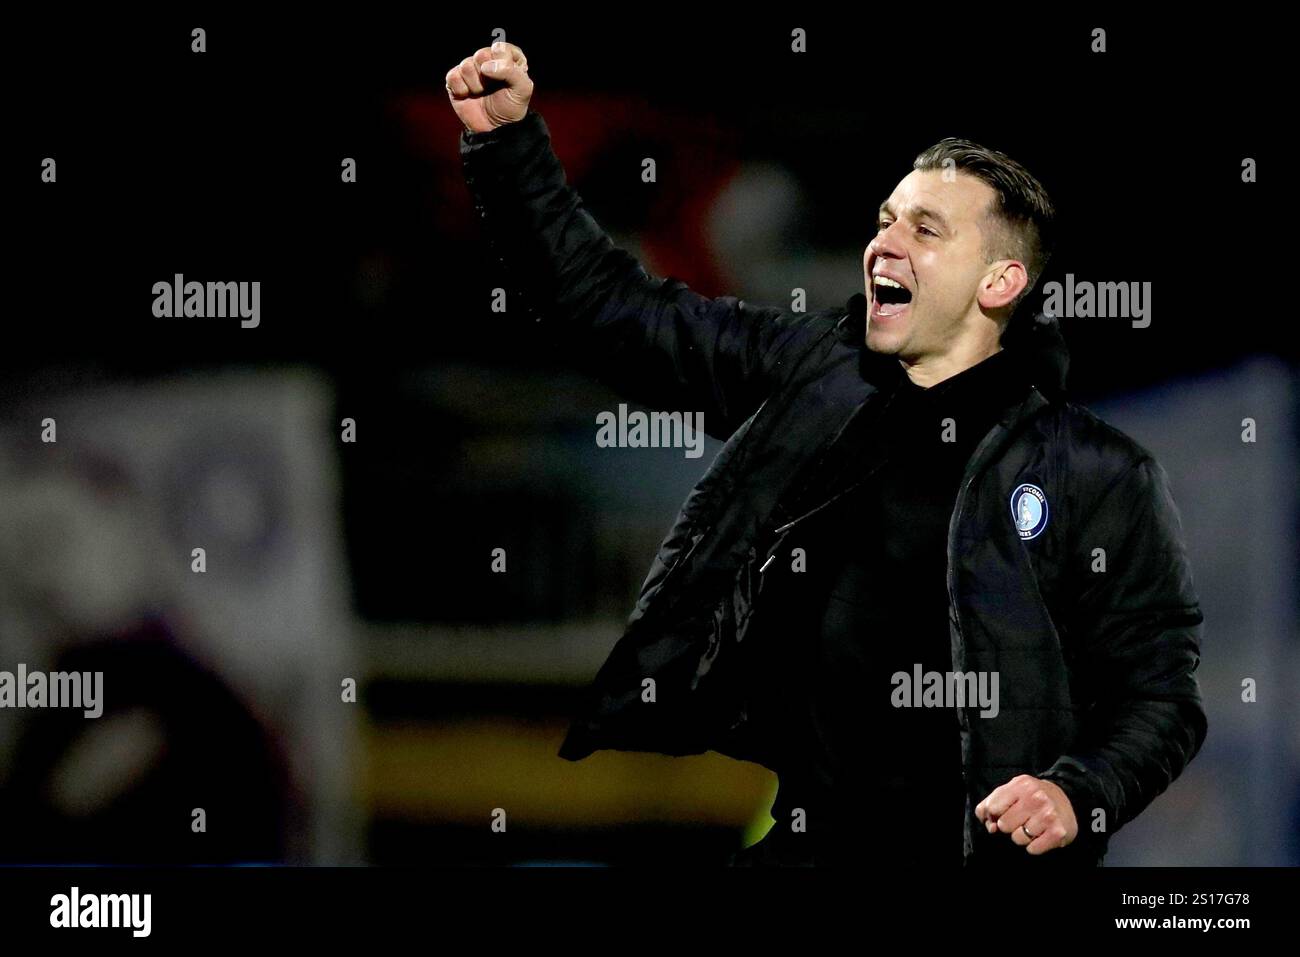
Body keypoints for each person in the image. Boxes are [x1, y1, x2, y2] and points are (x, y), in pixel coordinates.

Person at [446, 42, 1207, 867]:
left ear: (999, 283)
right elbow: (610, 308)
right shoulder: (807, 377)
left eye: (926, 228)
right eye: (884, 219)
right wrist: (508, 147)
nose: (885, 242)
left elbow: (1160, 696)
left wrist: (1077, 791)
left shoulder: (1097, 472)